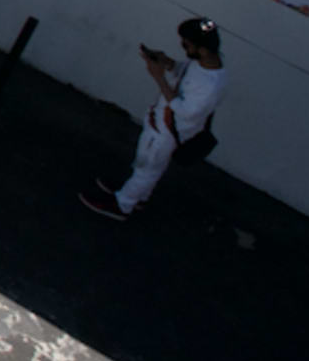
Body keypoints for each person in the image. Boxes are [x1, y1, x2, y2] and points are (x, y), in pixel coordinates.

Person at [85, 15, 223, 219]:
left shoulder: (210, 86)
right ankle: (138, 195)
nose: (183, 46)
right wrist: (166, 62)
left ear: (201, 48)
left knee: (146, 168)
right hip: (162, 126)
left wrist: (158, 77)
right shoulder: (207, 62)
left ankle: (122, 204)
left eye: (186, 44)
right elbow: (184, 72)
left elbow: (184, 110)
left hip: (166, 131)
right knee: (150, 167)